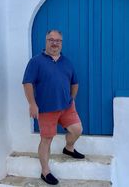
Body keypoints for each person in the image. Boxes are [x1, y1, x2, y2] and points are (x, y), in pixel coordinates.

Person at [22, 30, 85, 185]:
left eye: (58, 40)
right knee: (47, 139)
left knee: (77, 130)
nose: (55, 43)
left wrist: (72, 99)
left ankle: (68, 148)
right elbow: (27, 83)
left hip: (66, 106)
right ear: (46, 41)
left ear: (61, 43)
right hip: (46, 109)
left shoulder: (66, 62)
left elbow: (74, 83)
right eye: (51, 39)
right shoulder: (36, 61)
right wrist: (32, 104)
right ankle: (45, 171)